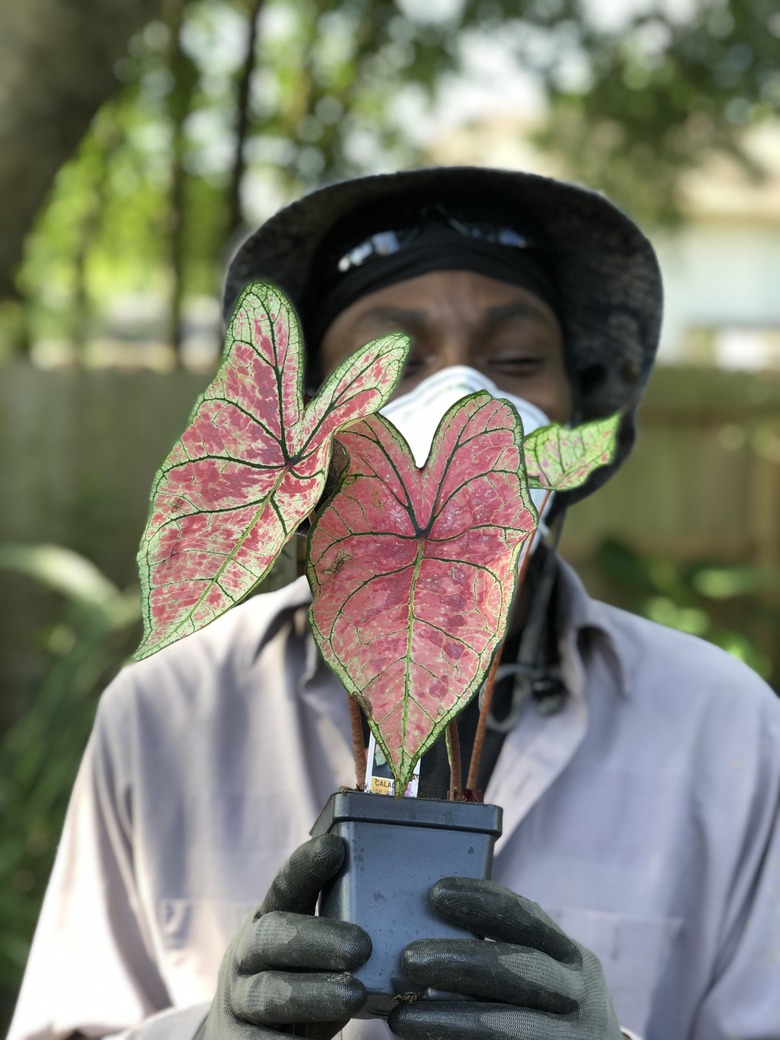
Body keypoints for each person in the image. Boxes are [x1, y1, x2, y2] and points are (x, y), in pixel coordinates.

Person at [8, 167, 780, 1040]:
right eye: (394, 366)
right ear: (307, 415)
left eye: (517, 362)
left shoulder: (726, 728)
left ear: (580, 407)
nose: (463, 398)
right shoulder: (167, 713)